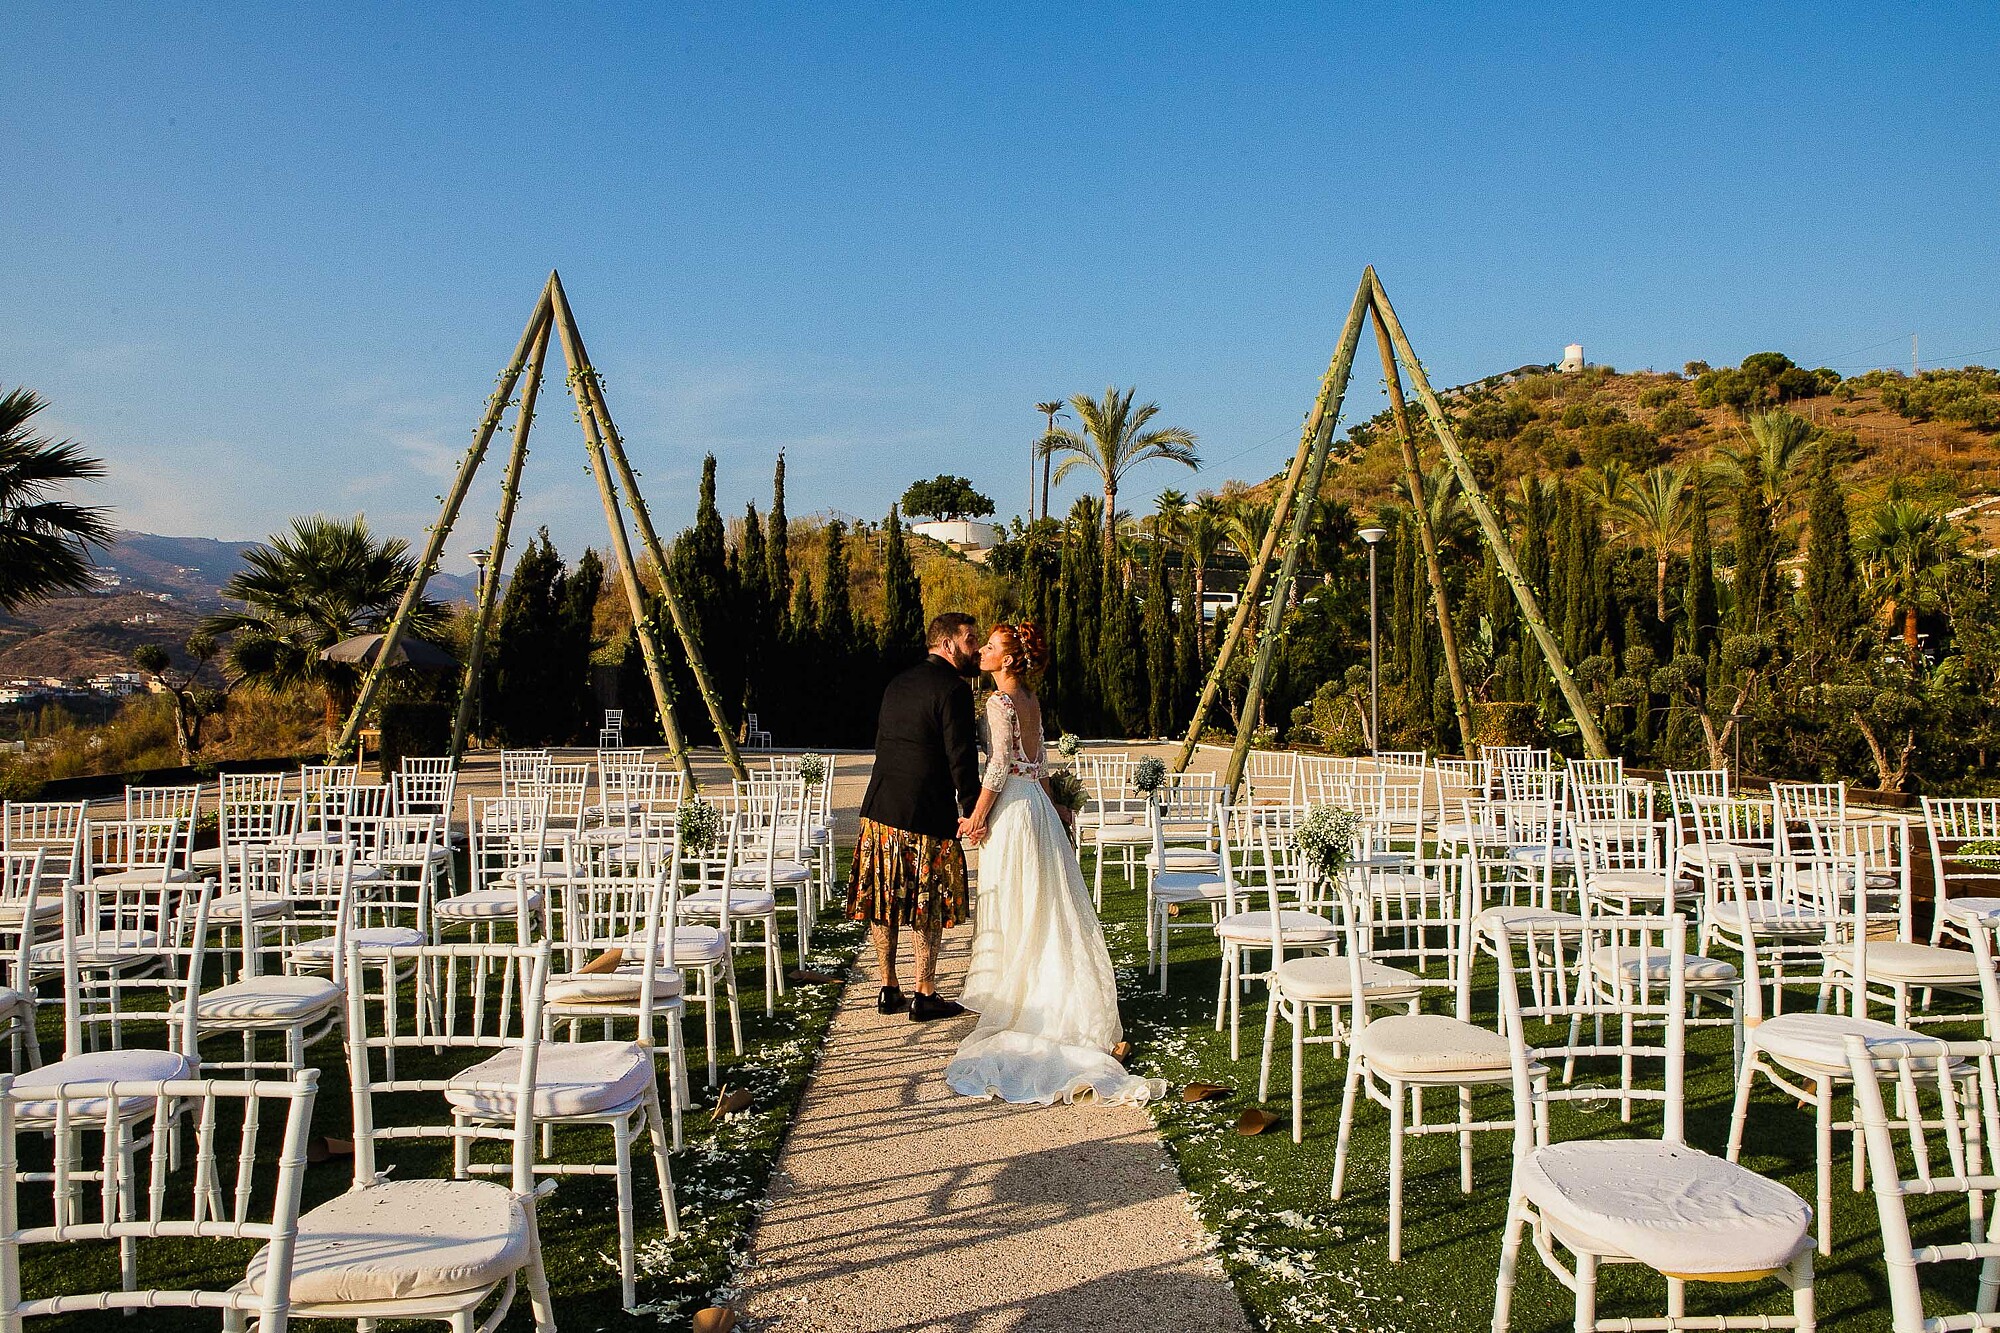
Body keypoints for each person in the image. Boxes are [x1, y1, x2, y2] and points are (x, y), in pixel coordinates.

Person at [944, 622, 1165, 1105]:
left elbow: (1000, 765)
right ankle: (1047, 993)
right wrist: (1055, 806)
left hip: (1012, 810)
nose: (981, 652)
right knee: (1045, 904)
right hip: (1037, 809)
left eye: (990, 647)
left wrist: (976, 817)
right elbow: (1039, 763)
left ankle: (1024, 1001)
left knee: (1019, 905)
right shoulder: (1030, 699)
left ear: (1007, 659)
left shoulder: (999, 702)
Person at [847, 611, 984, 1021]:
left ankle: (888, 988)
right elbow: (961, 759)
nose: (976, 649)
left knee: (884, 898)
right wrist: (974, 811)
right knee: (927, 902)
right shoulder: (954, 689)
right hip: (926, 813)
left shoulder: (897, 683)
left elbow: (884, 744)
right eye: (970, 640)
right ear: (947, 644)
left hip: (880, 809)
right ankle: (925, 993)